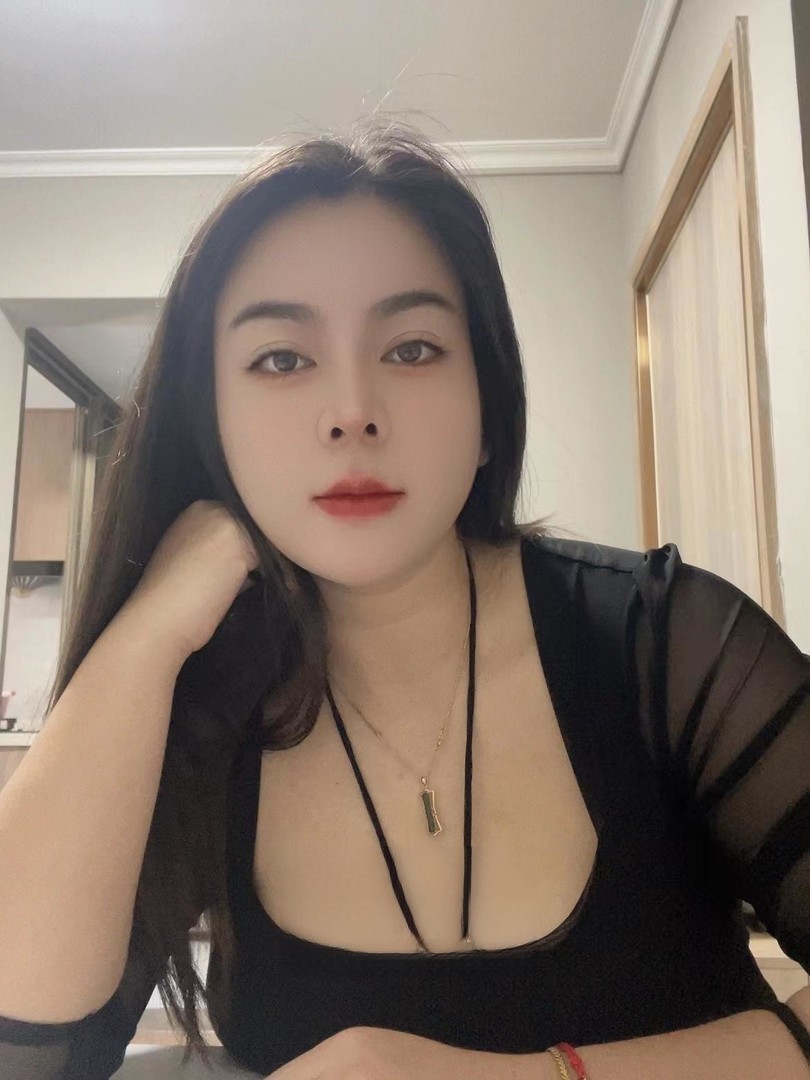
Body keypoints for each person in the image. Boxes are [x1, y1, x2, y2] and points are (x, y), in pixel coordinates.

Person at [0, 117, 807, 1080]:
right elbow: (28, 1049)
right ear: (210, 426)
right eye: (281, 359)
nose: (353, 411)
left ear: (487, 409)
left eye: (414, 348)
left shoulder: (668, 645)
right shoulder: (200, 706)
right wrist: (150, 630)